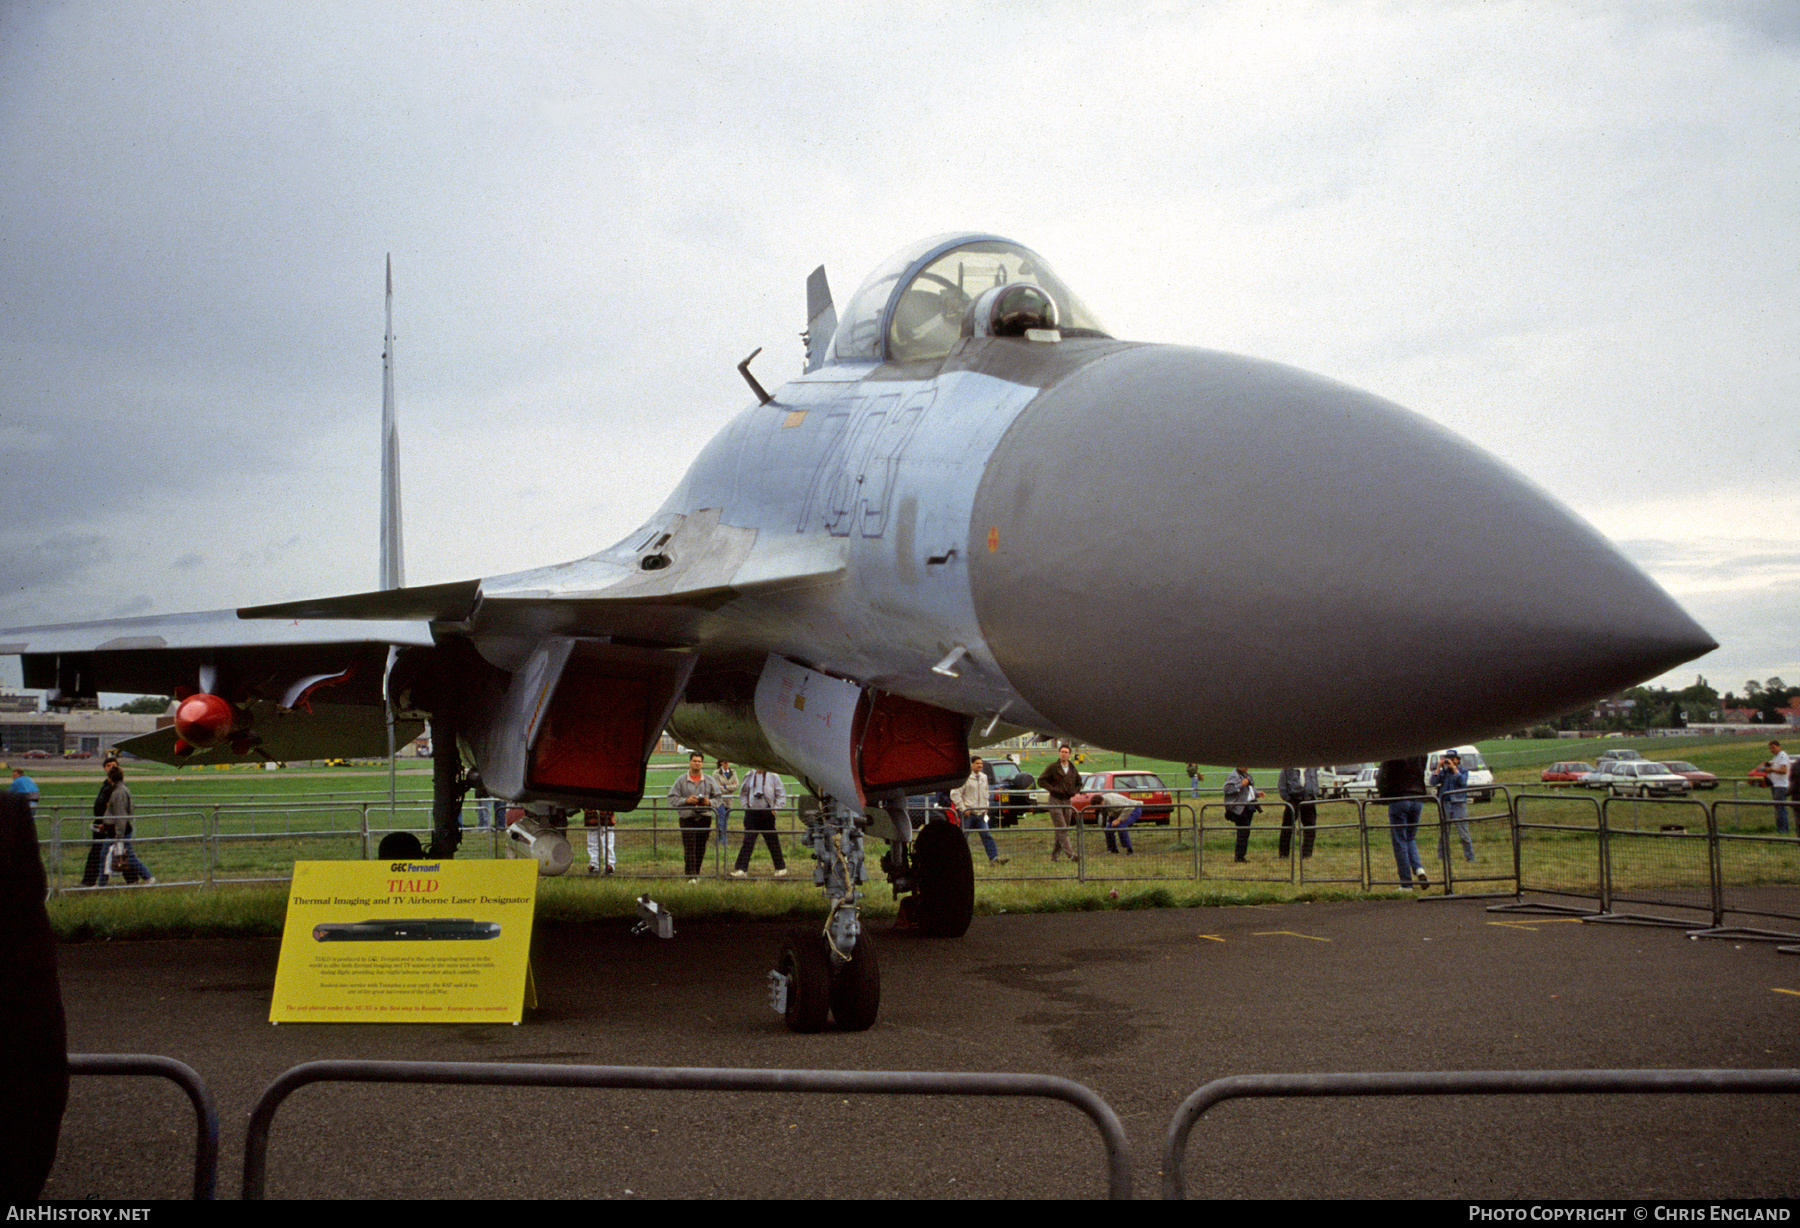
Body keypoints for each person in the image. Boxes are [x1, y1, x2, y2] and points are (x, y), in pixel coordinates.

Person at [667, 752, 721, 879]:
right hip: (687, 818)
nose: (697, 763)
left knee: (701, 847)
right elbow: (672, 798)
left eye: (699, 761)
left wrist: (709, 802)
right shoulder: (681, 780)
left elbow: (718, 798)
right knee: (689, 847)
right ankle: (690, 876)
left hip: (704, 817)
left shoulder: (709, 780)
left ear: (702, 763)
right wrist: (686, 801)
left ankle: (696, 873)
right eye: (694, 761)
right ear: (690, 762)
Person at [1379, 755, 1430, 889]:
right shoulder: (1421, 752)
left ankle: (1406, 883)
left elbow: (1383, 774)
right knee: (1410, 837)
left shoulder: (1395, 750)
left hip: (1399, 797)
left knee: (1399, 840)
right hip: (1417, 797)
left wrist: (1383, 795)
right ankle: (1419, 869)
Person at [99, 764, 152, 885]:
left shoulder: (118, 793)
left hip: (118, 832)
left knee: (126, 858)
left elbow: (120, 815)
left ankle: (148, 877)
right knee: (107, 857)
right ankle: (101, 884)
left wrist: (119, 835)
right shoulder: (122, 789)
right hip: (117, 830)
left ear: (111, 778)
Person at [951, 756, 1008, 867]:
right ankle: (957, 860)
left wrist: (986, 806)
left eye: (981, 763)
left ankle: (994, 858)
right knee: (963, 837)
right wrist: (963, 809)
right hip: (968, 813)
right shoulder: (965, 778)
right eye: (977, 763)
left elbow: (986, 793)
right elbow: (955, 794)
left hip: (981, 814)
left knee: (986, 835)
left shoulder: (984, 777)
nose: (980, 765)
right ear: (971, 764)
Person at [732, 768, 789, 877]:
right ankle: (741, 869)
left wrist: (775, 809)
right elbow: (743, 793)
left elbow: (781, 795)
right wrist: (746, 807)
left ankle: (780, 868)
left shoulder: (773, 776)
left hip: (767, 813)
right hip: (751, 813)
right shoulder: (749, 775)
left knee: (772, 840)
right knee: (748, 840)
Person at [1036, 743, 1082, 862]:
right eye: (1062, 752)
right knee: (1062, 828)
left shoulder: (1072, 769)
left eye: (1066, 752)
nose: (1064, 754)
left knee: (1062, 829)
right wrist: (1053, 789)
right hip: (1055, 800)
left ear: (1069, 755)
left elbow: (1079, 783)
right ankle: (1071, 855)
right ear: (1059, 753)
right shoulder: (1052, 767)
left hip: (1067, 800)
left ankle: (1054, 857)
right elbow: (1041, 781)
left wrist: (1074, 791)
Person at [80, 755, 120, 887]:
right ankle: (89, 881)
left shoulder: (116, 786)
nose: (111, 768)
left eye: (114, 765)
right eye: (108, 766)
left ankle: (90, 882)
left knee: (116, 853)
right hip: (100, 823)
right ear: (104, 769)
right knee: (98, 854)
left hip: (108, 825)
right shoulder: (106, 784)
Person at [1430, 751, 1476, 863]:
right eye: (1447, 758)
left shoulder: (1463, 771)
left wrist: (1454, 769)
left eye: (1452, 759)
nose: (1449, 761)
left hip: (1458, 804)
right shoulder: (1443, 772)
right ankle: (1442, 857)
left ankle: (1470, 857)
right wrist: (1439, 767)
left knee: (1463, 833)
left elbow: (1462, 782)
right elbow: (1433, 782)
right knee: (1444, 831)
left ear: (1457, 760)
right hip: (1445, 803)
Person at [1277, 766, 1319, 860]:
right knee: (1287, 827)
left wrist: (1314, 793)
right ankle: (1284, 854)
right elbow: (1282, 785)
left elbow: (1315, 780)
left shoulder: (1312, 767)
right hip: (1293, 800)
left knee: (1310, 827)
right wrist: (1288, 799)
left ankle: (1307, 854)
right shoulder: (1287, 768)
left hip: (1309, 799)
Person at [1222, 767, 1258, 862]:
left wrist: (1257, 794)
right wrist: (1240, 785)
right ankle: (1239, 857)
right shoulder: (1233, 776)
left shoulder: (1247, 775)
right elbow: (1227, 789)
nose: (1247, 767)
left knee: (1245, 832)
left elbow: (1249, 790)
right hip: (1239, 808)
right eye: (1244, 765)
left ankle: (1241, 855)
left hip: (1248, 807)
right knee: (1243, 832)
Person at [1759, 741, 1791, 836]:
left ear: (1779, 746)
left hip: (1780, 786)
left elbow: (1784, 770)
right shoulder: (1777, 757)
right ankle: (1782, 829)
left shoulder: (1782, 756)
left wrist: (1771, 770)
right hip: (1775, 784)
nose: (1772, 750)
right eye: (1770, 748)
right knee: (1779, 808)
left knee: (1780, 808)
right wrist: (1770, 764)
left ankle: (1783, 830)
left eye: (1773, 747)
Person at [711, 760, 737, 842]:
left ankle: (718, 840)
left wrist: (725, 787)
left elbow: (736, 786)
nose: (726, 763)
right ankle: (724, 841)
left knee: (725, 820)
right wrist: (730, 787)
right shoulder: (716, 773)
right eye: (724, 762)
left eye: (727, 762)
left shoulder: (733, 773)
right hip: (720, 800)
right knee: (722, 819)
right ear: (721, 763)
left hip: (729, 800)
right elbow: (717, 787)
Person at [585, 809, 616, 875]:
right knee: (592, 843)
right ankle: (594, 865)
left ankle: (609, 866)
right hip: (591, 815)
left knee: (608, 843)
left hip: (606, 815)